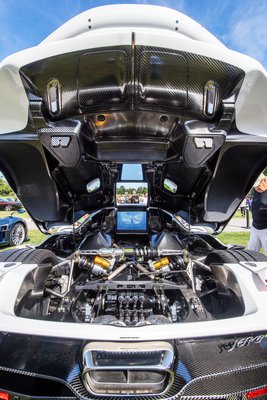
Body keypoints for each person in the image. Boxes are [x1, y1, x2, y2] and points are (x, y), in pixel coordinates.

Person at [247, 173, 267, 254]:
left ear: (264, 181)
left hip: (266, 228)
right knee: (251, 254)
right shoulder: (256, 191)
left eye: (257, 185)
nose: (256, 188)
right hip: (255, 227)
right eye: (254, 186)